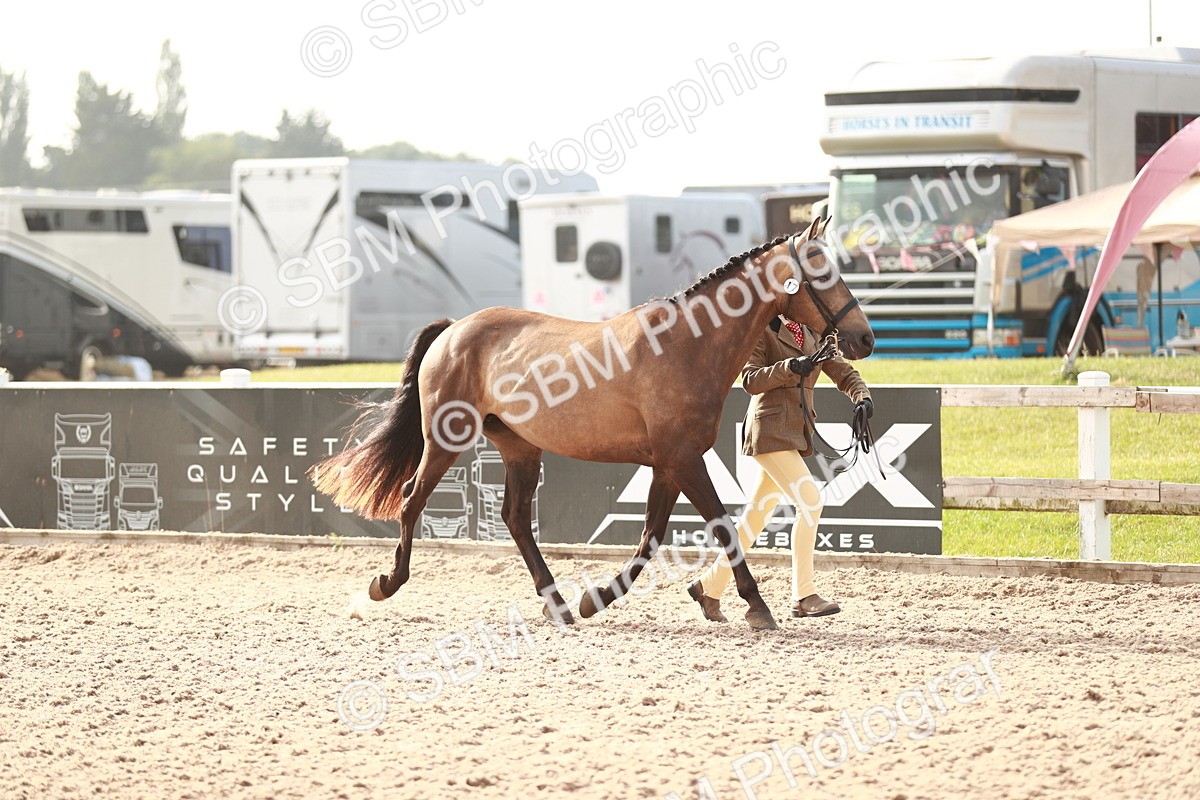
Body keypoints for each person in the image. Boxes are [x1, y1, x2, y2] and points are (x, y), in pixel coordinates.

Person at [686, 315, 872, 622]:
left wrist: (862, 396)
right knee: (811, 502)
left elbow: (841, 371)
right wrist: (790, 367)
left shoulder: (815, 331)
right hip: (768, 430)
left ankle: (709, 586)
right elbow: (749, 379)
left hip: (794, 432)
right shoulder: (763, 329)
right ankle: (804, 595)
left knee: (755, 518)